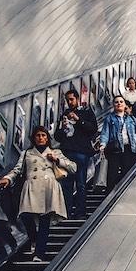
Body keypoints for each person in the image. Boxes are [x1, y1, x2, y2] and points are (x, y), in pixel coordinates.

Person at [0, 127, 76, 261]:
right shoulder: (27, 153)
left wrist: (57, 160)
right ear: (34, 138)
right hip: (31, 187)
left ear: (47, 138)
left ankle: (39, 253)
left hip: (49, 188)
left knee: (45, 221)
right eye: (37, 135)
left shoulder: (55, 152)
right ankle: (34, 239)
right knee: (26, 215)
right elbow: (17, 170)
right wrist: (8, 179)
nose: (40, 138)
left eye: (43, 135)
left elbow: (73, 167)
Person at [54, 88, 98, 219]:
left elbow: (93, 130)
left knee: (81, 184)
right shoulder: (64, 115)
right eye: (68, 100)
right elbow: (57, 136)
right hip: (66, 153)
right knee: (66, 185)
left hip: (81, 152)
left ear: (78, 99)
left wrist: (78, 120)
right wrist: (62, 127)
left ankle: (80, 212)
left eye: (72, 99)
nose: (70, 102)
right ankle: (67, 212)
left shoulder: (86, 112)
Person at [99, 96, 136, 191]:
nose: (119, 103)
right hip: (114, 150)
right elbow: (105, 133)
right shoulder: (110, 119)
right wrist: (103, 144)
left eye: (121, 102)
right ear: (113, 105)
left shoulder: (131, 119)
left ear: (124, 105)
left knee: (127, 173)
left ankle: (126, 193)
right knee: (112, 174)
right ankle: (110, 195)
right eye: (116, 102)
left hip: (129, 149)